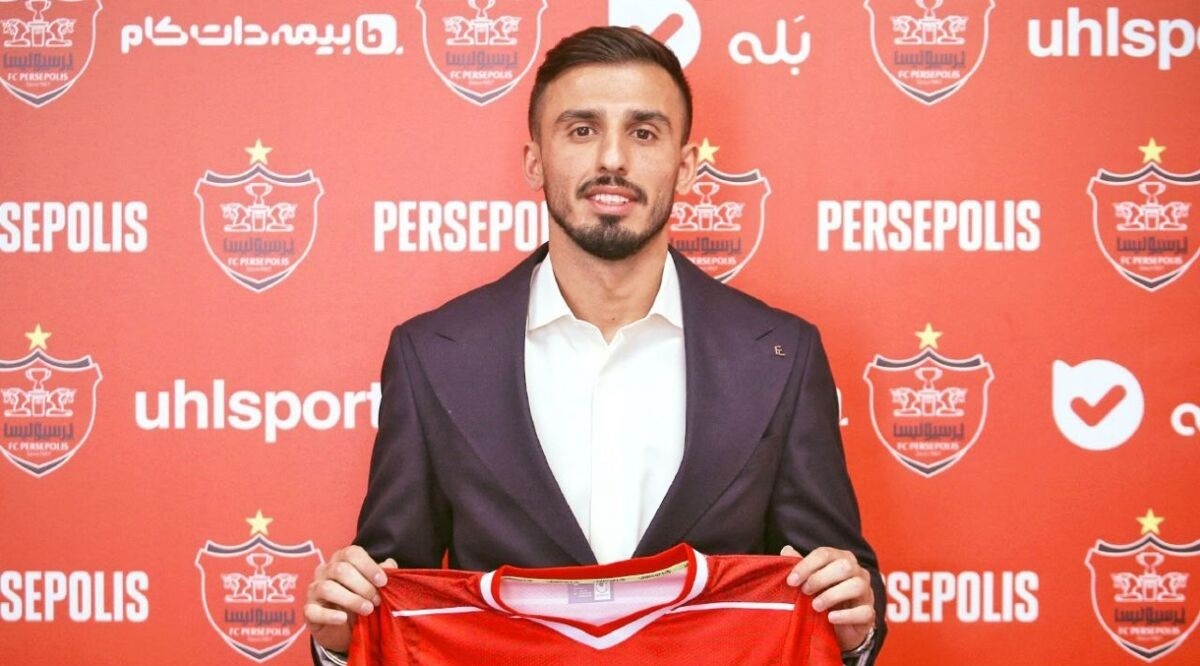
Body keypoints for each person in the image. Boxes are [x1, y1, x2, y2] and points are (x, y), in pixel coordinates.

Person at [306, 26, 885, 665]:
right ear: (535, 161)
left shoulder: (781, 355)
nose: (613, 159)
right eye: (582, 130)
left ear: (686, 165)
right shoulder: (432, 356)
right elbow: (393, 601)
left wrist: (852, 630)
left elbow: (838, 592)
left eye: (644, 132)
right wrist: (341, 641)